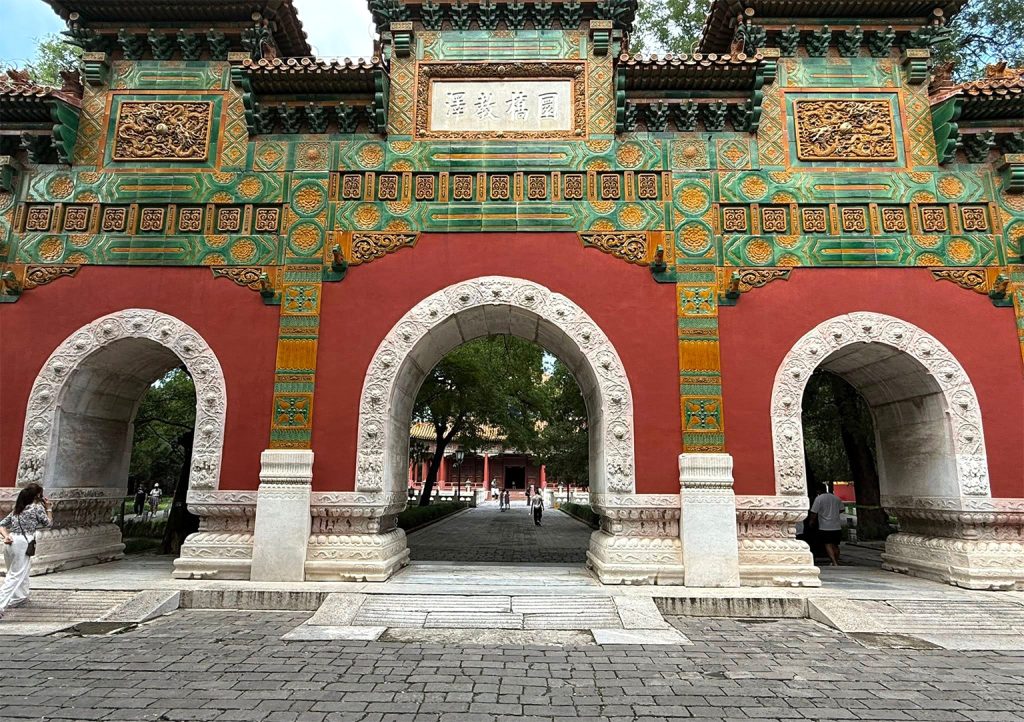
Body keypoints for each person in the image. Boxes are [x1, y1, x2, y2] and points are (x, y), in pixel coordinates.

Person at [0, 484, 52, 619]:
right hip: (23, 542)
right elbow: (48, 524)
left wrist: (6, 536)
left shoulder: (17, 509)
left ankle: (20, 597)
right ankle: (1, 604)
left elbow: (1, 525)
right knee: (15, 575)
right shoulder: (37, 508)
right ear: (37, 496)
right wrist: (49, 508)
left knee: (18, 571)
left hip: (10, 541)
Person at [809, 484, 844, 566]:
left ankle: (834, 561)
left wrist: (812, 521)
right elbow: (842, 509)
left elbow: (814, 512)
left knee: (828, 544)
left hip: (824, 526)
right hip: (836, 526)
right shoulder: (836, 498)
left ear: (818, 491)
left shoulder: (819, 499)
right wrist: (834, 514)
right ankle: (836, 560)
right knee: (835, 545)